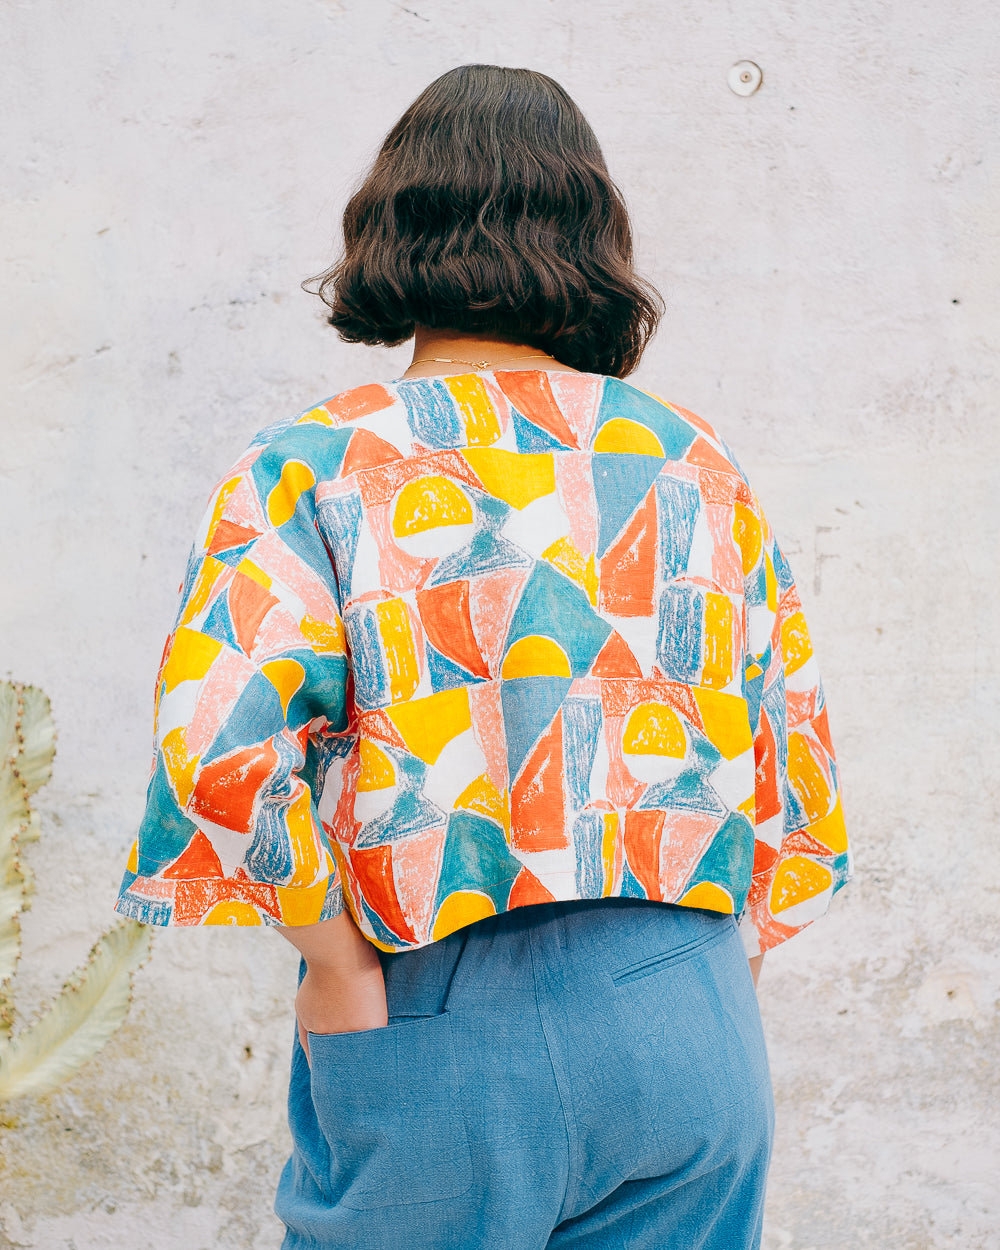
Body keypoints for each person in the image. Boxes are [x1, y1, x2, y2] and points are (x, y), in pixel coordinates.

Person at [115, 63, 852, 1250]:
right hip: (688, 1007)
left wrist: (335, 961)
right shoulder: (693, 461)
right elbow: (788, 758)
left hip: (435, 996)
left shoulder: (318, 463)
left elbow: (218, 744)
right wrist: (710, 983)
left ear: (392, 223)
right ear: (591, 237)